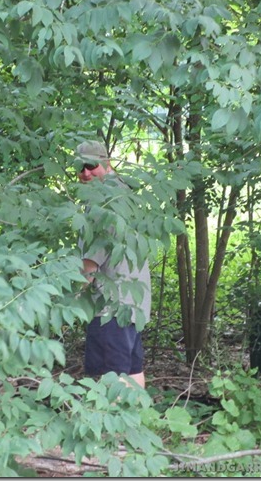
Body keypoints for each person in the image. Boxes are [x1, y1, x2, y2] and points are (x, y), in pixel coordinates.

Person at [74, 140, 151, 389]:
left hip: (110, 305)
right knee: (132, 369)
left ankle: (113, 416)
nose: (86, 173)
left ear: (106, 162)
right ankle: (137, 412)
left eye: (91, 166)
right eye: (80, 167)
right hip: (133, 304)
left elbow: (90, 263)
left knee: (111, 376)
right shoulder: (125, 192)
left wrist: (72, 299)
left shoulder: (103, 203)